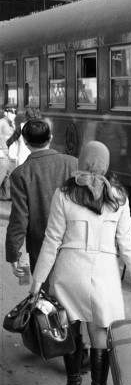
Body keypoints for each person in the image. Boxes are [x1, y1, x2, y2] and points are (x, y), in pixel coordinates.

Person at [28, 141, 131, 385]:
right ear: (106, 164)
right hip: (103, 274)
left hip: (69, 273)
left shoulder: (64, 194)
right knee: (99, 333)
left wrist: (37, 283)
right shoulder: (118, 197)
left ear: (80, 162)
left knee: (70, 332)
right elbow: (127, 243)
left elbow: (51, 241)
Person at [6, 119, 78, 277]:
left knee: (47, 297)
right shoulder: (73, 164)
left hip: (42, 247)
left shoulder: (21, 174)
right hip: (75, 244)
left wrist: (14, 252)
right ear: (50, 138)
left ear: (25, 142)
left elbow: (19, 218)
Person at [0, 105, 17, 199]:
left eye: (15, 114)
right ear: (5, 113)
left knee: (9, 175)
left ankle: (6, 195)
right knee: (1, 174)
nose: (14, 115)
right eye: (11, 113)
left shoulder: (12, 124)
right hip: (3, 153)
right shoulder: (1, 123)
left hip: (10, 153)